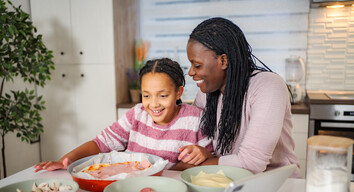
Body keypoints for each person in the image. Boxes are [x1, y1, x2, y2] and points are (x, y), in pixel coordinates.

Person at [34, 58, 213, 172]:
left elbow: (208, 157)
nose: (154, 103)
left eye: (163, 95)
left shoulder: (195, 119)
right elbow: (100, 143)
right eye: (146, 95)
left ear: (179, 92)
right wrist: (65, 160)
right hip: (128, 185)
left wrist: (202, 153)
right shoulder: (137, 114)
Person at [173, 17, 301, 177]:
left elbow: (251, 163)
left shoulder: (268, 86)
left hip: (278, 184)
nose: (191, 72)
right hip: (225, 179)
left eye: (197, 65)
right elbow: (196, 141)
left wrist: (185, 167)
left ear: (223, 60)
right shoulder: (205, 94)